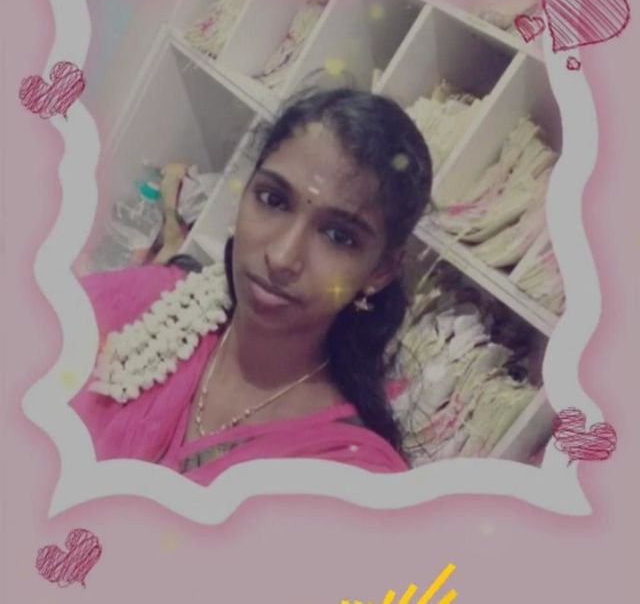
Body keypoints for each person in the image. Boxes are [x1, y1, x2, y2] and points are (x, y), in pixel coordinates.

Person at [71, 86, 432, 485]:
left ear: (380, 270)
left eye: (339, 236)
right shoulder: (144, 305)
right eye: (273, 200)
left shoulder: (348, 479)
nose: (282, 257)